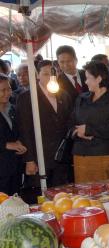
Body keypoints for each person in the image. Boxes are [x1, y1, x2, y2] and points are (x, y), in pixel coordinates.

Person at [16, 60, 73, 188]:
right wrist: (29, 160)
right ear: (37, 75)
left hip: (61, 157)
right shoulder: (27, 98)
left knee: (61, 193)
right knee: (39, 194)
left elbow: (68, 123)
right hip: (38, 157)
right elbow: (24, 130)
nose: (50, 77)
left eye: (54, 73)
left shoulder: (64, 95)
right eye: (46, 74)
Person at [71, 61, 109, 183]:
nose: (85, 82)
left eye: (88, 78)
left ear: (99, 79)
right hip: (80, 155)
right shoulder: (81, 99)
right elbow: (70, 123)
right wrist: (76, 132)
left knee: (104, 196)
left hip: (103, 155)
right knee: (82, 197)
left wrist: (89, 130)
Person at [0, 74, 26, 195]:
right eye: (2, 90)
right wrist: (6, 145)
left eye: (9, 88)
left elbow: (19, 131)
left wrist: (20, 142)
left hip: (14, 166)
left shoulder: (13, 109)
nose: (7, 93)